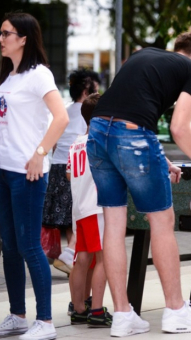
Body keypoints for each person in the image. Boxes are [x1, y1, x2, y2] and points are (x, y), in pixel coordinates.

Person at [87, 32, 191, 337]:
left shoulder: (143, 55)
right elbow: (179, 127)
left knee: (114, 224)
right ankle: (175, 311)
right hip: (131, 137)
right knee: (161, 221)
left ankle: (122, 316)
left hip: (97, 132)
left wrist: (163, 161)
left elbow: (129, 114)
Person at [0, 12, 69, 339]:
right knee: (10, 246)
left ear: (24, 38)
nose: (1, 39)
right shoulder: (9, 77)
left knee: (30, 246)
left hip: (27, 174)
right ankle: (18, 315)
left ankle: (45, 322)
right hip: (4, 170)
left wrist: (40, 154)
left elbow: (61, 118)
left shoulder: (39, 74)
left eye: (6, 33)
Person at [44, 69, 98, 275]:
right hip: (77, 169)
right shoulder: (89, 112)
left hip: (57, 167)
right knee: (79, 215)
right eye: (95, 86)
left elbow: (55, 142)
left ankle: (71, 260)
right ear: (86, 90)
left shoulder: (64, 111)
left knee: (69, 217)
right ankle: (70, 256)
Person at [66, 93, 112, 327]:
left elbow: (68, 174)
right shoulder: (101, 142)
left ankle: (78, 308)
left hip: (80, 209)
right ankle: (96, 310)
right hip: (98, 208)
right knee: (104, 258)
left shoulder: (75, 143)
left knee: (81, 259)